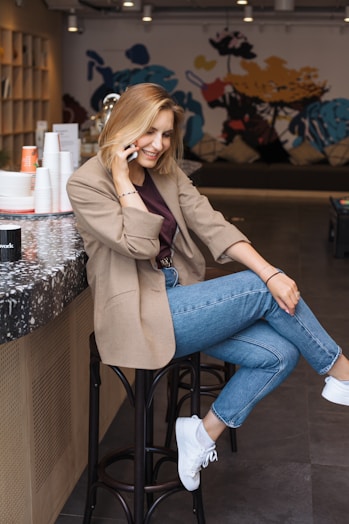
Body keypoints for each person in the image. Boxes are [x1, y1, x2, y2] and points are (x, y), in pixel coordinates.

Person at [67, 82, 349, 493]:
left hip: (181, 297)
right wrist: (119, 175)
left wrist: (270, 270)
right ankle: (341, 371)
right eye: (149, 132)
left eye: (166, 134)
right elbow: (140, 244)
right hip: (140, 314)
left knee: (280, 354)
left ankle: (201, 433)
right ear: (124, 126)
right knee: (258, 286)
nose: (159, 144)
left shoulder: (164, 171)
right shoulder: (87, 183)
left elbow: (211, 223)